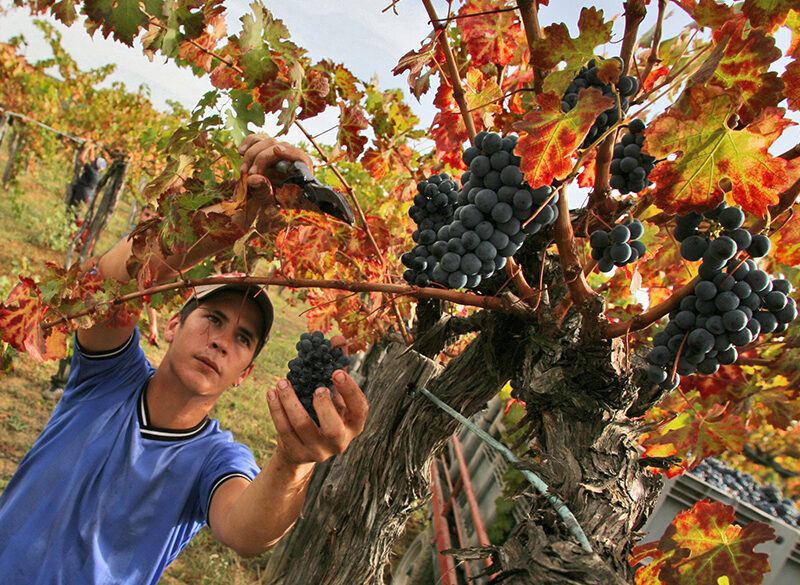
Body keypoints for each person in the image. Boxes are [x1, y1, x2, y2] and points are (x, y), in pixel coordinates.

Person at [0, 135, 369, 584]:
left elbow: (247, 532)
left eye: (242, 338)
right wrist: (237, 218)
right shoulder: (108, 377)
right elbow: (105, 286)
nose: (221, 342)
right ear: (173, 324)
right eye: (213, 319)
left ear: (245, 373)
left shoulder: (215, 459)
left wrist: (294, 462)